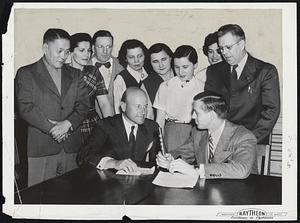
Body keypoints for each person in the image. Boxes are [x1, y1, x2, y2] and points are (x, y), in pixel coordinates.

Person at [15, 28, 89, 186]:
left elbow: (83, 105)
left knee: (71, 197)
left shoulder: (76, 74)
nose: (63, 57)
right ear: (45, 48)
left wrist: (67, 124)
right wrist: (52, 129)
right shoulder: (26, 73)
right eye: (59, 51)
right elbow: (25, 107)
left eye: (67, 52)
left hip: (72, 147)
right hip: (41, 148)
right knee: (39, 199)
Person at [204, 24, 280, 146]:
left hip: (251, 142)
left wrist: (247, 141)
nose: (224, 53)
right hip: (219, 143)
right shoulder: (213, 71)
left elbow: (270, 112)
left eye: (228, 47)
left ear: (241, 44)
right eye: (221, 49)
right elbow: (209, 108)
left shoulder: (265, 71)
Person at [156, 91, 257, 179]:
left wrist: (196, 169)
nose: (192, 117)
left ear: (212, 116)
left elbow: (241, 170)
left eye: (196, 113)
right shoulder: (198, 133)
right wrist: (170, 158)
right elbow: (185, 151)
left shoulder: (243, 136)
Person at [77, 87, 160, 173]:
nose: (143, 112)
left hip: (138, 183)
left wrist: (164, 161)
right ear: (124, 107)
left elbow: (156, 161)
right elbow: (83, 156)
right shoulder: (105, 126)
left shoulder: (152, 127)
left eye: (145, 106)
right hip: (109, 182)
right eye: (138, 106)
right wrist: (113, 163)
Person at [153, 45, 204, 152]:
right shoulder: (165, 86)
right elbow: (160, 121)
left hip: (195, 132)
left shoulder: (202, 87)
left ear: (195, 65)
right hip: (171, 133)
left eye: (185, 67)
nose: (181, 72)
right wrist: (161, 146)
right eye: (176, 67)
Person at [69, 32, 113, 144]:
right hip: (69, 125)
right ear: (71, 51)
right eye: (81, 50)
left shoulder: (93, 71)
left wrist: (112, 129)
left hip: (91, 125)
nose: (86, 55)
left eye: (89, 51)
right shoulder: (62, 72)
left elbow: (104, 103)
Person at [114, 39, 154, 119]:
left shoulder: (151, 74)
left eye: (140, 56)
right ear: (125, 58)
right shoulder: (120, 79)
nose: (136, 61)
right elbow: (118, 110)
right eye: (131, 57)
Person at [90, 30, 124, 113]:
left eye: (109, 46)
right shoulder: (83, 67)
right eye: (100, 46)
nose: (105, 51)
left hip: (117, 120)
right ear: (93, 47)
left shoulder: (122, 66)